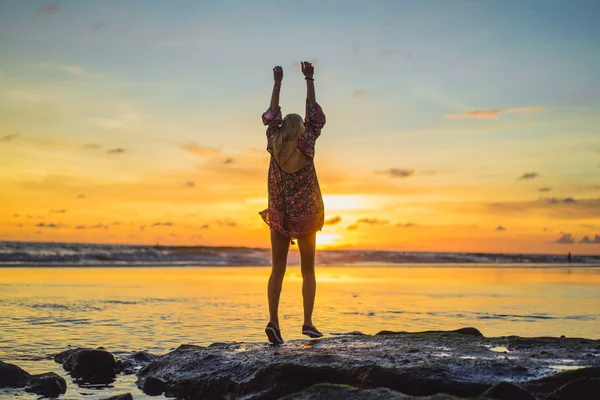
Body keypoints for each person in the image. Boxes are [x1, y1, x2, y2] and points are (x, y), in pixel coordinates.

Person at [259, 61, 326, 344]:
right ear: (301, 129)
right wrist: (309, 78)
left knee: (278, 270)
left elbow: (271, 115)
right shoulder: (306, 143)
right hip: (306, 215)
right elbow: (315, 116)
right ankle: (308, 322)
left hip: (280, 216)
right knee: (308, 270)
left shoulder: (273, 141)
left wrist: (277, 83)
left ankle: (273, 321)